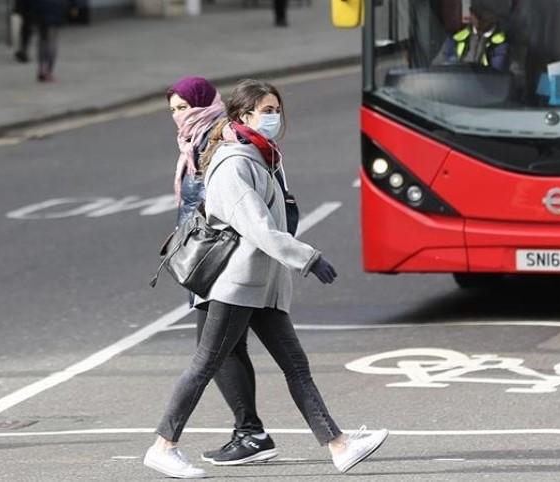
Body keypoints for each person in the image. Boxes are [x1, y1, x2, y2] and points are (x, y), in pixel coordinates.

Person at [143, 79, 389, 479]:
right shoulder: (234, 164)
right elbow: (257, 228)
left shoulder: (261, 157)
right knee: (206, 363)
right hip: (236, 286)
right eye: (266, 111)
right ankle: (163, 446)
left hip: (261, 285)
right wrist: (308, 258)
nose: (274, 117)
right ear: (243, 116)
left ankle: (340, 446)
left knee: (296, 366)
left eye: (277, 109)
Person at [166, 76, 278, 466]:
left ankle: (248, 433)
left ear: (204, 102)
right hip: (213, 261)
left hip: (222, 264)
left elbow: (228, 204)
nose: (181, 115)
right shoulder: (194, 141)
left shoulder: (218, 139)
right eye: (176, 110)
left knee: (213, 353)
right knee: (233, 349)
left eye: (185, 106)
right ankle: (253, 432)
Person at [433, 0, 511, 71]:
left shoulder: (505, 44)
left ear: (495, 16)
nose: (479, 18)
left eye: (485, 13)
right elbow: (435, 69)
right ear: (471, 12)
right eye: (476, 13)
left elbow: (513, 77)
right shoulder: (455, 39)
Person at [25, 0, 66, 82]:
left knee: (42, 40)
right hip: (54, 7)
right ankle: (47, 71)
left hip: (39, 8)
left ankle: (41, 70)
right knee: (51, 40)